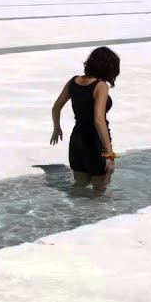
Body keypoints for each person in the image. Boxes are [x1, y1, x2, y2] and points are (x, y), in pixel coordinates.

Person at [51, 47, 120, 194]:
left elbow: (56, 107)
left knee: (78, 187)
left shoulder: (73, 82)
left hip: (77, 142)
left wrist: (57, 128)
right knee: (99, 191)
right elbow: (99, 120)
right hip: (95, 144)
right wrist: (110, 154)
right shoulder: (101, 86)